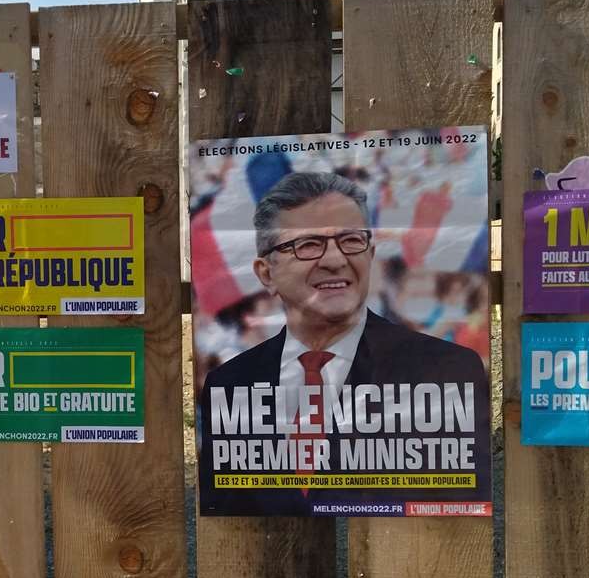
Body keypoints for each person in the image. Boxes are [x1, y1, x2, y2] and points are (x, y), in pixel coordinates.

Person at [196, 170, 488, 516]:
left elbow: (462, 519)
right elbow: (224, 515)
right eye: (308, 245)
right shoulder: (228, 385)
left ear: (371, 255)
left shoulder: (446, 372)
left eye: (351, 241)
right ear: (266, 273)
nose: (335, 260)